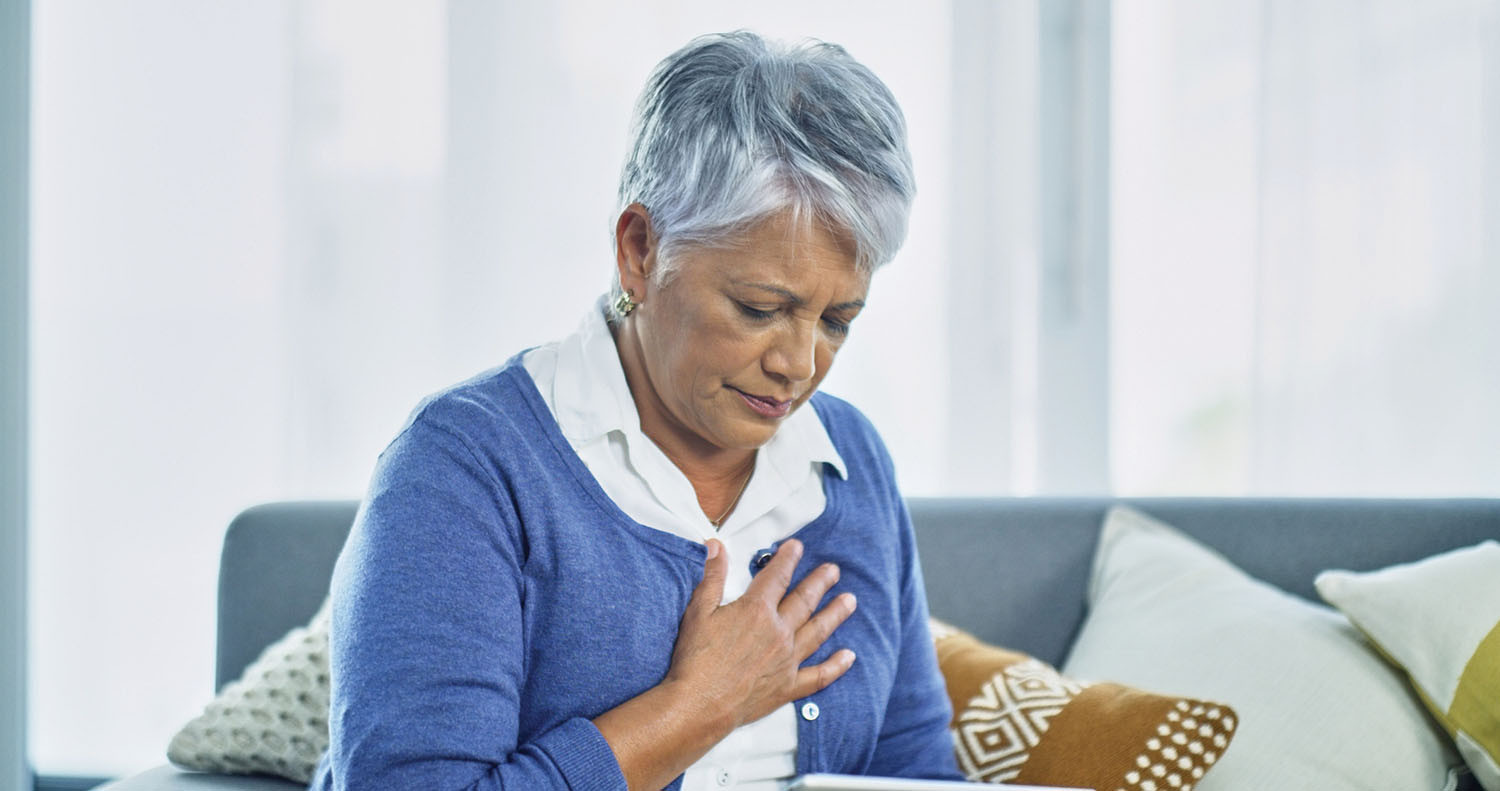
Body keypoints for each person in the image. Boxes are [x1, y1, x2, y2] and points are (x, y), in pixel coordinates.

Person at [311, 30, 963, 791]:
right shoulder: (466, 468)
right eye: (760, 308)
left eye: (836, 321)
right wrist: (698, 706)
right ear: (641, 250)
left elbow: (916, 768)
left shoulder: (851, 462)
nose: (799, 363)